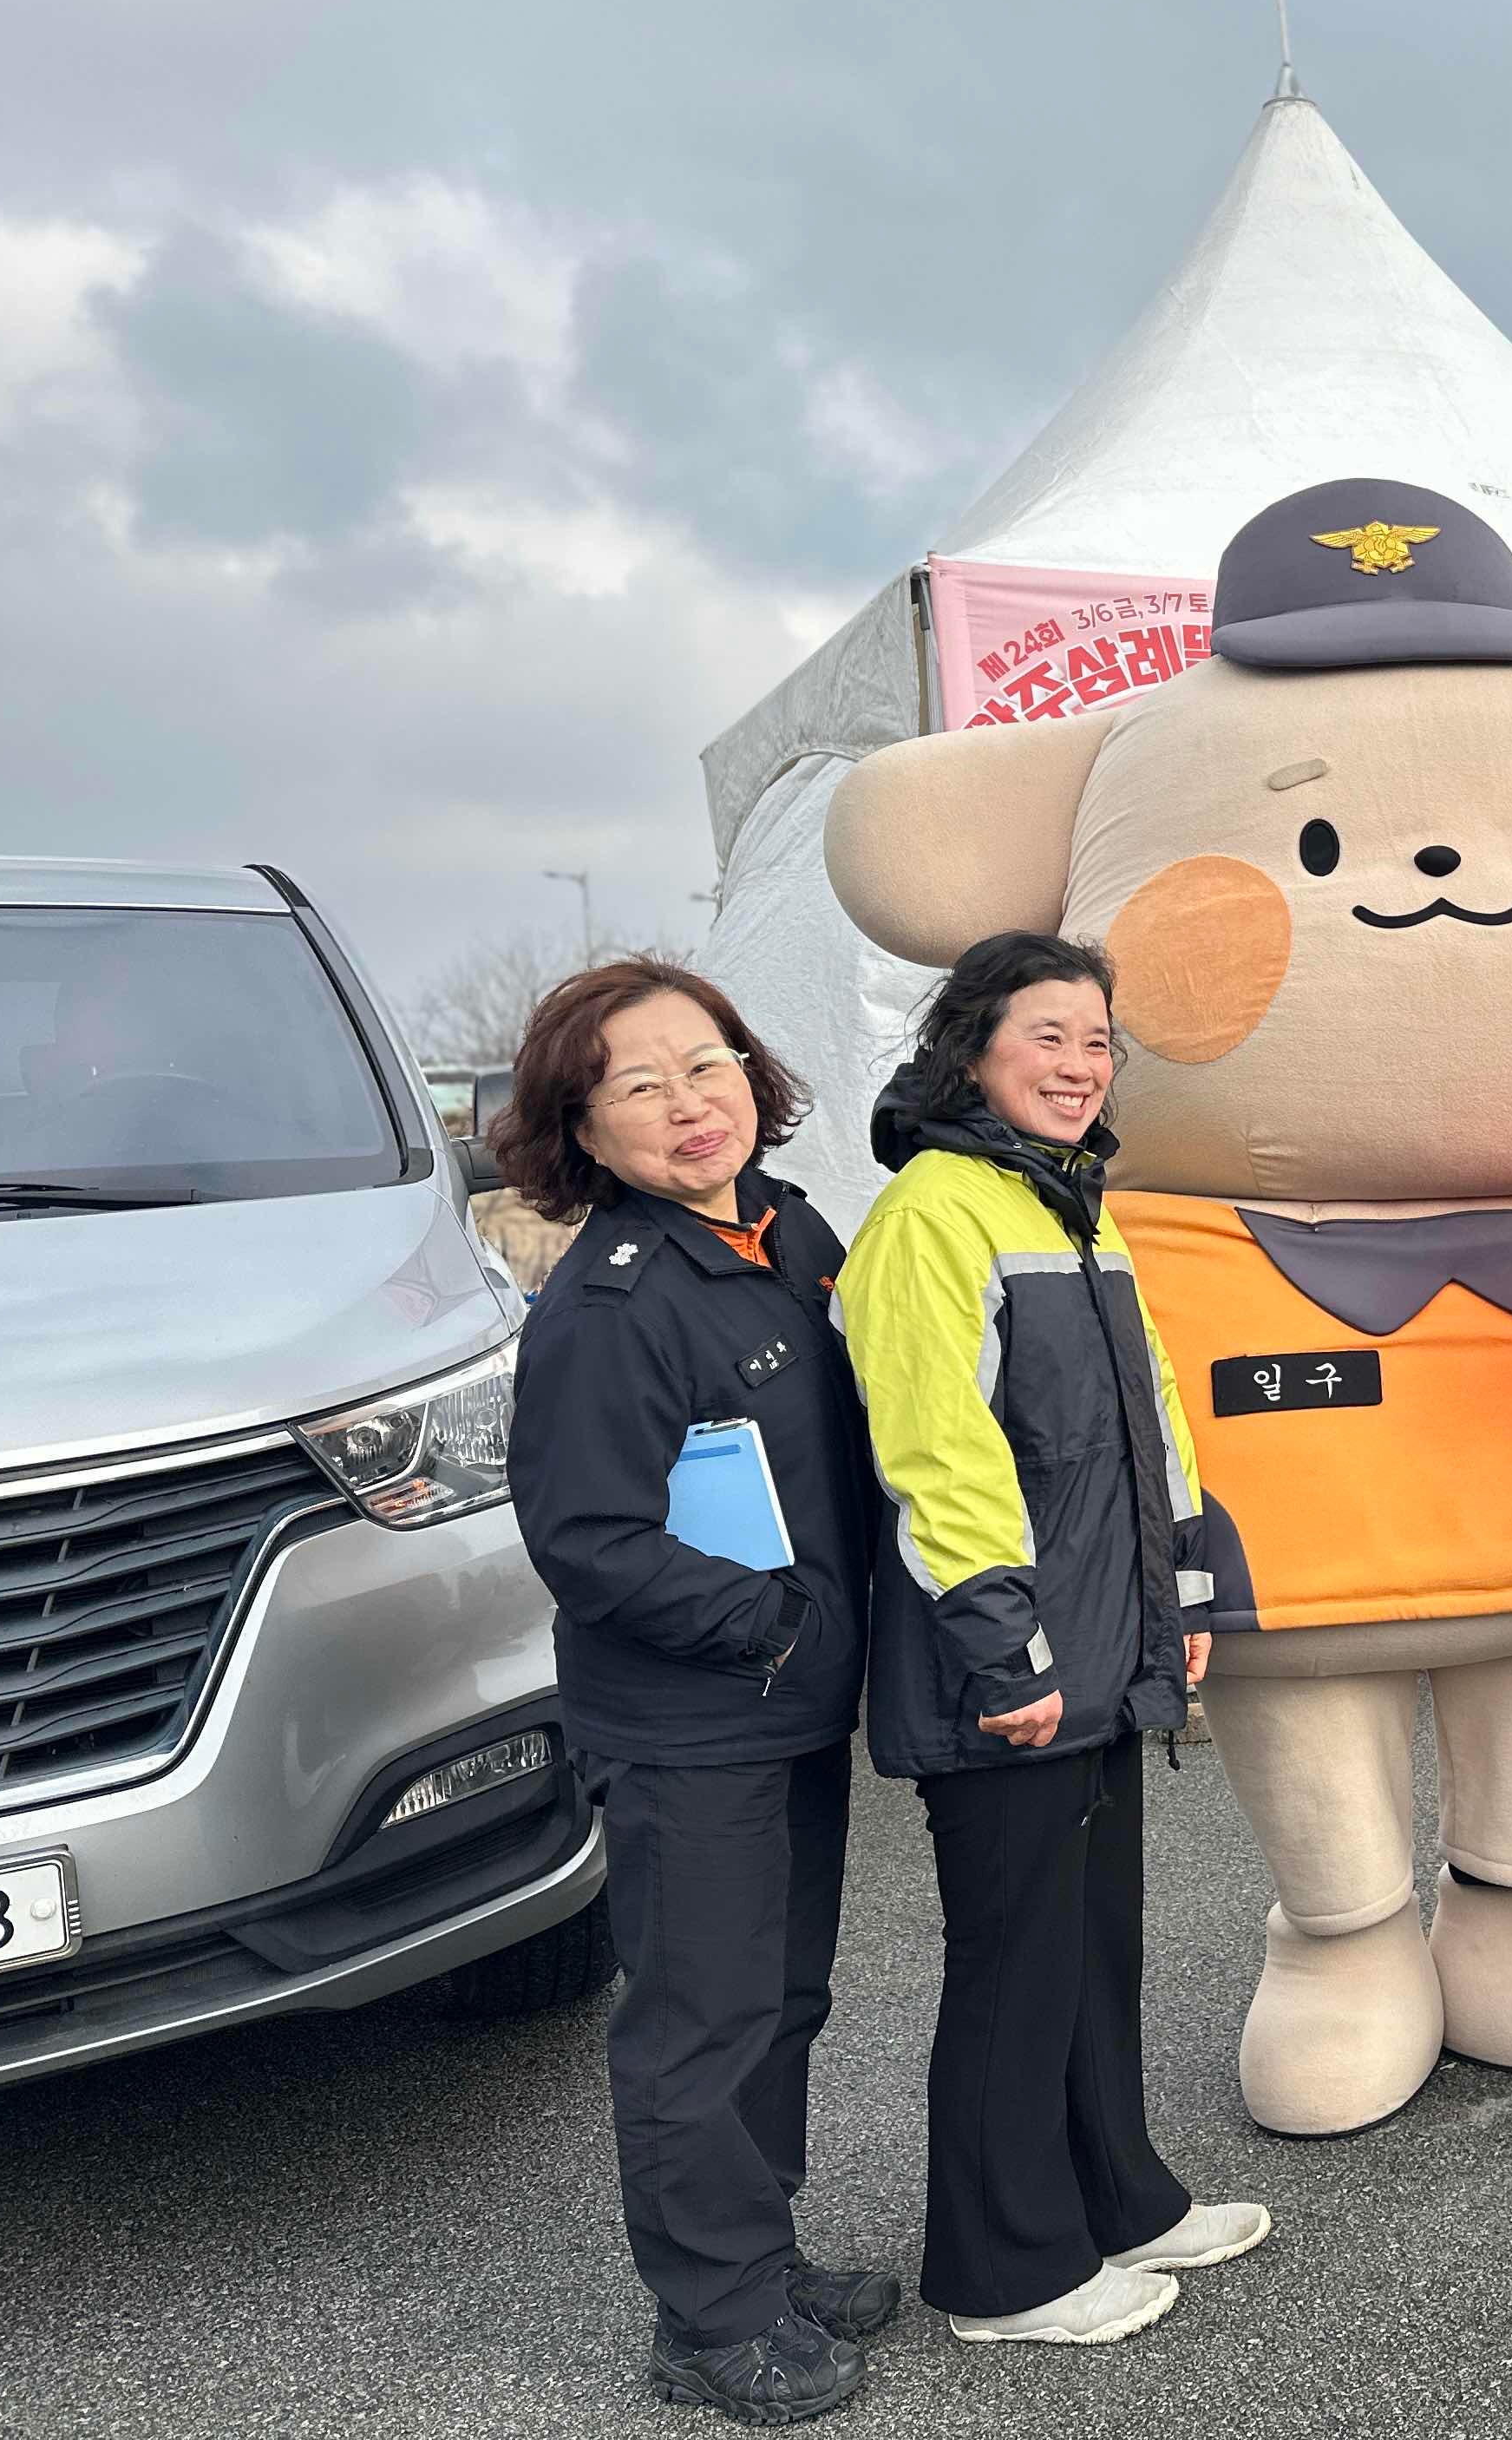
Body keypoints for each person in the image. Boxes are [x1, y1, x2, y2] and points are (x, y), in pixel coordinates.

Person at [835, 933, 1267, 2344]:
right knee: (1014, 1964)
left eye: (1097, 1041)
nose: (1080, 1066)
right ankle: (1001, 2267)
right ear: (972, 1051)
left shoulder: (1077, 1204)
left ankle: (1115, 2194)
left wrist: (1186, 1593)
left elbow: (1153, 1420)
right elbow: (933, 1453)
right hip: (1007, 1661)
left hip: (1103, 1637)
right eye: (1049, 1036)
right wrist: (1003, 1650)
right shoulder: (933, 1213)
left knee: (1091, 1947)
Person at [501, 957, 890, 2426]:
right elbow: (587, 1538)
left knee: (779, 1998)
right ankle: (708, 2318)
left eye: (706, 1061)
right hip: (692, 1715)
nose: (688, 1100)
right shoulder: (612, 1302)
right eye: (639, 1083)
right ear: (583, 1128)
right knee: (697, 2017)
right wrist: (777, 1624)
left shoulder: (793, 1236)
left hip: (790, 1698)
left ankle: (760, 2254)